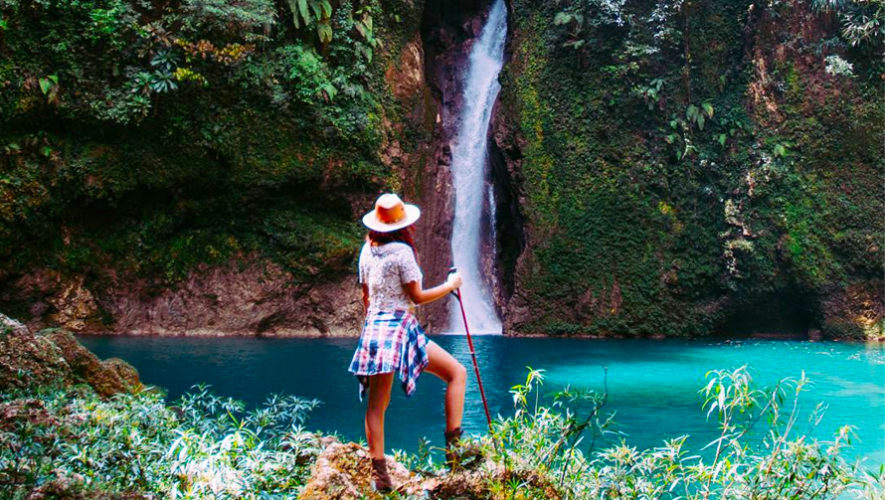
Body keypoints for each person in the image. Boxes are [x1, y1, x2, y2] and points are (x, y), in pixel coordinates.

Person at [349, 193, 477, 492]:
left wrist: (372, 326)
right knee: (456, 373)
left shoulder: (367, 250)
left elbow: (366, 297)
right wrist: (450, 286)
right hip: (400, 328)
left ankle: (380, 476)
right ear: (404, 225)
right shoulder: (402, 253)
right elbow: (416, 297)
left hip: (374, 329)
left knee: (377, 405)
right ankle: (454, 455)